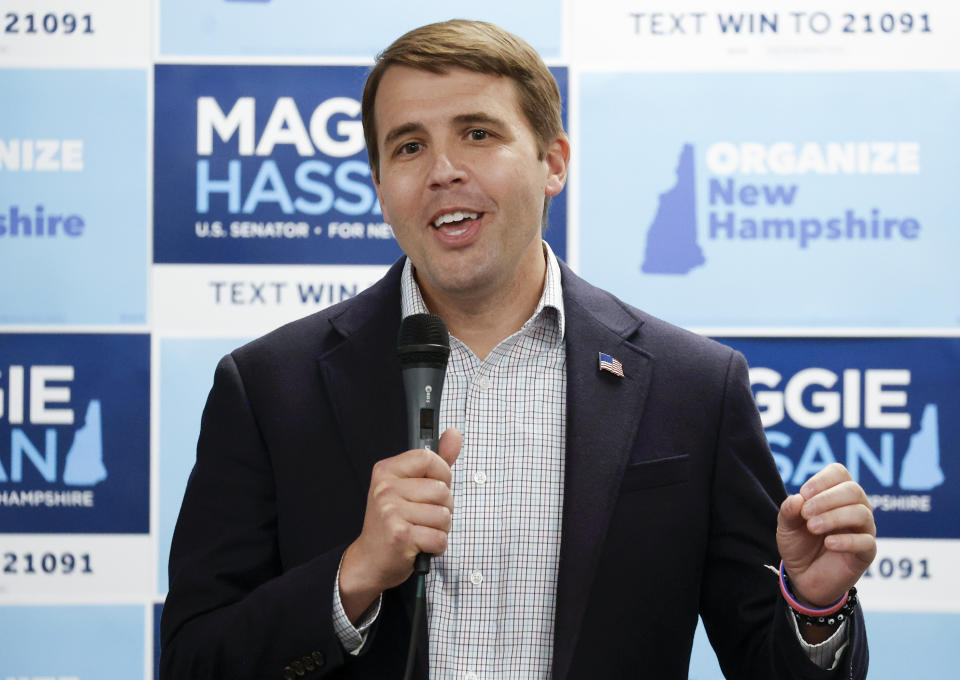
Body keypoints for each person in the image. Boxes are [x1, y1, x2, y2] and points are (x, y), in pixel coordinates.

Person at [160, 20, 875, 680]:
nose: (442, 169)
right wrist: (351, 577)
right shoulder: (269, 387)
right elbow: (193, 659)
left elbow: (768, 660)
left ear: (553, 161)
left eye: (477, 134)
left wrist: (813, 609)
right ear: (380, 188)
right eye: (408, 146)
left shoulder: (694, 387)